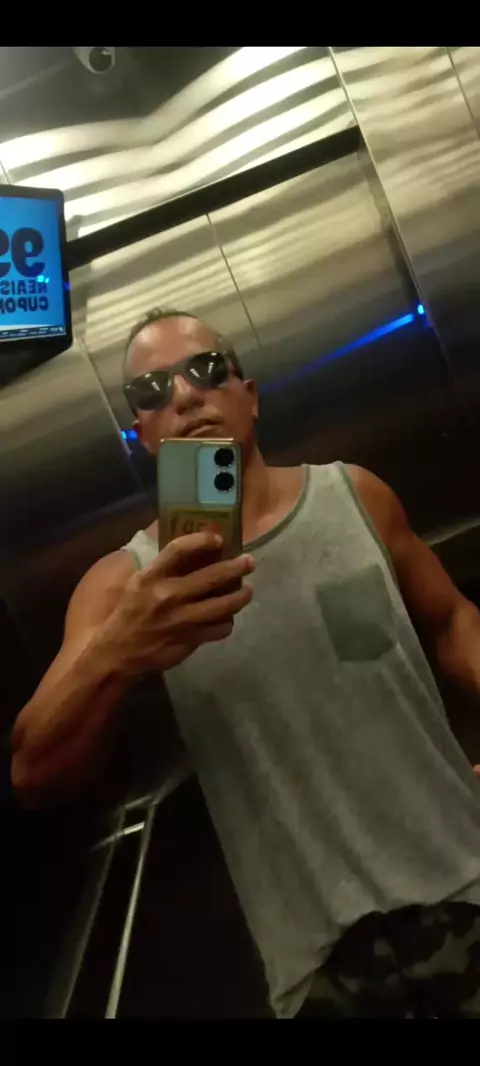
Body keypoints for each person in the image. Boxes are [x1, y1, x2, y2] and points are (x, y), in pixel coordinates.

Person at [12, 307, 480, 1019]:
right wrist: (116, 650)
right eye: (151, 390)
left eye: (205, 369)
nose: (184, 395)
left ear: (249, 394)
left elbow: (452, 620)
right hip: (319, 964)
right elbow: (34, 771)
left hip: (465, 882)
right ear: (143, 434)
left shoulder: (355, 496)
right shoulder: (123, 586)